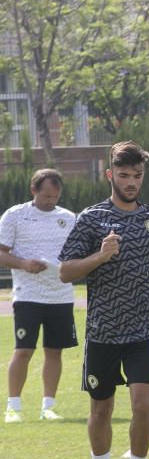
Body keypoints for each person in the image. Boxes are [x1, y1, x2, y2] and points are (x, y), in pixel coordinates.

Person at [58, 141, 149, 459]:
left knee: (142, 406)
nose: (130, 182)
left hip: (143, 328)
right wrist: (101, 255)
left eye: (136, 176)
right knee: (101, 410)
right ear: (110, 175)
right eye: (123, 175)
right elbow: (65, 271)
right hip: (103, 331)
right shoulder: (90, 219)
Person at [0, 169, 78, 423]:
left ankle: (49, 406)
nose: (50, 201)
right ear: (33, 190)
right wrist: (23, 264)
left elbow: (77, 255)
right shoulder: (15, 215)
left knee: (54, 351)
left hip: (61, 295)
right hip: (28, 295)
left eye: (55, 196)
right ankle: (13, 407)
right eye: (46, 195)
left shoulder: (68, 218)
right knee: (23, 350)